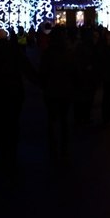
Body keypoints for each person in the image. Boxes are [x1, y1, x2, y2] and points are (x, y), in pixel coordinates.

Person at [0, 27, 36, 172]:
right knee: (13, 120)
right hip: (14, 91)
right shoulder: (13, 50)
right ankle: (12, 145)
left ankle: (1, 145)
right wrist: (39, 81)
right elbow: (26, 67)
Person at [39, 27, 76, 160]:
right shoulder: (69, 53)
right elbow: (74, 71)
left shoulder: (48, 53)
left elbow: (43, 72)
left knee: (52, 119)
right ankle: (64, 146)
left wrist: (44, 85)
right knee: (64, 119)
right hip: (66, 90)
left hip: (51, 91)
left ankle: (53, 146)